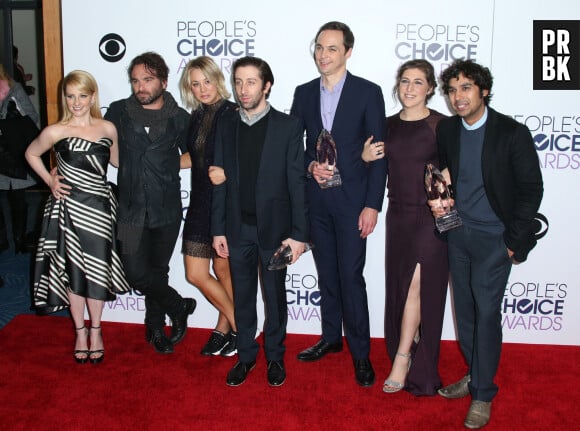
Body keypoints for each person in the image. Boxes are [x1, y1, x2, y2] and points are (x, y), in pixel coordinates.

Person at [428, 59, 543, 429]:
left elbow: (531, 189)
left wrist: (511, 241)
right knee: (466, 314)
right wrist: (441, 196)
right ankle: (475, 373)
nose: (458, 97)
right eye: (452, 89)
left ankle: (482, 393)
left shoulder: (511, 133)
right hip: (458, 233)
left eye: (466, 88)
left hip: (495, 239)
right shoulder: (447, 130)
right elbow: (449, 172)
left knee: (487, 314)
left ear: (484, 91)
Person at [290, 21, 387, 387]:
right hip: (317, 201)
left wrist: (372, 205)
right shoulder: (302, 93)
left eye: (332, 48)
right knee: (327, 275)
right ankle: (331, 338)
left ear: (348, 52)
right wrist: (310, 165)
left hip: (352, 203)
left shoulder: (367, 92)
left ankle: (361, 353)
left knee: (350, 276)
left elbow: (378, 154)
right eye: (319, 47)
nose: (323, 55)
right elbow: (292, 148)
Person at [212, 56, 309, 387]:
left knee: (274, 296)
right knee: (242, 297)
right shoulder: (225, 125)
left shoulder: (288, 126)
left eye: (251, 82)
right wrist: (218, 229)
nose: (243, 89)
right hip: (238, 229)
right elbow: (220, 182)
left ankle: (276, 358)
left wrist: (299, 236)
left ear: (267, 85)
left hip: (276, 231)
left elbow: (298, 183)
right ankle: (245, 356)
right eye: (238, 82)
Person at [25, 70, 131, 364]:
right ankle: (80, 331)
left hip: (99, 209)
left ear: (92, 97)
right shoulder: (55, 131)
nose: (76, 102)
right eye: (70, 96)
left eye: (82, 96)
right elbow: (31, 154)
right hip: (67, 210)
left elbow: (119, 162)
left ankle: (96, 330)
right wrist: (50, 180)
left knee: (97, 272)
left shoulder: (108, 128)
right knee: (73, 273)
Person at [362, 59, 449, 395]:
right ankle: (408, 340)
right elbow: (372, 171)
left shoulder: (442, 126)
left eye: (418, 82)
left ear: (430, 88)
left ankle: (404, 358)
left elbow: (458, 165)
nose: (410, 88)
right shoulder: (386, 126)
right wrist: (365, 157)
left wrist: (442, 189)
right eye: (405, 81)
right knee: (400, 287)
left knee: (417, 286)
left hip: (431, 218)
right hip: (398, 216)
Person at [104, 52, 196, 355]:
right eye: (135, 80)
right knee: (133, 272)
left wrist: (168, 166)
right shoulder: (118, 111)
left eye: (147, 79)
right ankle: (178, 305)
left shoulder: (180, 118)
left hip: (166, 210)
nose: (140, 86)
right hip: (130, 210)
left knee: (158, 271)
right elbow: (98, 144)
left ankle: (155, 327)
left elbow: (194, 154)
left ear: (163, 81)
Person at [178, 56, 238, 357]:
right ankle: (243, 327)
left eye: (207, 81)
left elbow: (248, 158)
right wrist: (162, 165)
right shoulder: (197, 114)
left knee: (224, 270)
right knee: (196, 273)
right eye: (195, 84)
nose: (202, 89)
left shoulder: (233, 113)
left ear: (218, 79)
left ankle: (224, 329)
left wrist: (229, 172)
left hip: (225, 203)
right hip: (201, 200)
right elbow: (195, 156)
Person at [0, 63, 40, 254]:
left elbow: (33, 116)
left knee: (17, 199)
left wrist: (13, 117)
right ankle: (2, 240)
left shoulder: (13, 88)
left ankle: (19, 239)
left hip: (14, 151)